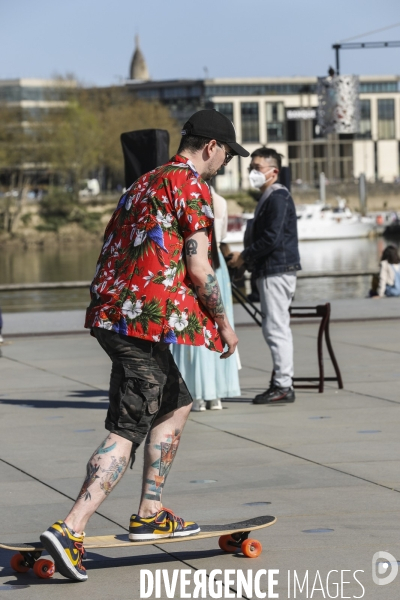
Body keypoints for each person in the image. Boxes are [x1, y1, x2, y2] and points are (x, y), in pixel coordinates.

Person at [40, 109, 248, 582]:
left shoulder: (144, 182)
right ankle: (71, 528)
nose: (224, 166)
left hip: (117, 315)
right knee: (129, 425)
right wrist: (224, 324)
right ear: (211, 147)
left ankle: (150, 511)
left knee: (175, 402)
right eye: (226, 157)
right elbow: (199, 268)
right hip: (139, 322)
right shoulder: (191, 185)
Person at [228, 147, 301, 405]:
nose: (252, 173)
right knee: (275, 328)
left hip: (276, 271)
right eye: (251, 168)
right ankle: (282, 382)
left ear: (273, 172)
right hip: (272, 270)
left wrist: (244, 256)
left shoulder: (277, 197)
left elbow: (272, 238)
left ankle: (283, 385)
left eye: (257, 168)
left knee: (276, 329)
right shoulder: (270, 197)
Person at [171, 188, 241, 411]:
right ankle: (215, 394)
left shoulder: (185, 197)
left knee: (193, 323)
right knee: (216, 324)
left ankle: (195, 392)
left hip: (195, 260)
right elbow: (222, 237)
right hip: (216, 263)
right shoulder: (220, 201)